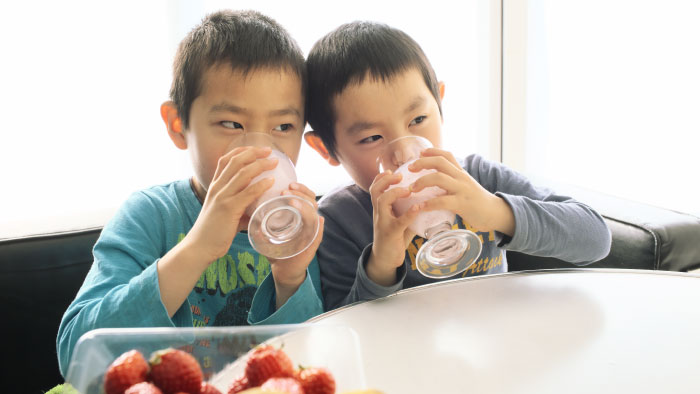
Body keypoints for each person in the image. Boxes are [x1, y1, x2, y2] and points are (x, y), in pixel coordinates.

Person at [56, 10, 325, 377]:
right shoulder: (151, 215)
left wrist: (291, 278)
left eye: (283, 126)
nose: (260, 152)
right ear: (178, 125)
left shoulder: (295, 224)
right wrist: (198, 247)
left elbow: (311, 364)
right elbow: (78, 356)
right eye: (232, 124)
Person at [303, 21, 611, 310]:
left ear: (440, 102)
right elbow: (342, 332)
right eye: (372, 137)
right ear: (326, 149)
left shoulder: (480, 179)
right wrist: (381, 265)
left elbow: (596, 240)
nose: (406, 153)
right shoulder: (337, 222)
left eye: (418, 120)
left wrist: (493, 210)